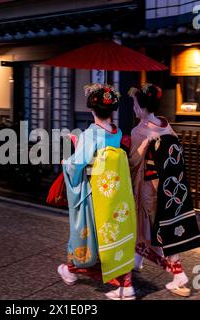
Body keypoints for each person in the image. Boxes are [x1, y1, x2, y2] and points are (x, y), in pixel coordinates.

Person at [57, 83, 137, 300]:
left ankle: (74, 269)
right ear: (112, 110)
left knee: (86, 231)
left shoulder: (91, 133)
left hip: (95, 193)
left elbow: (80, 162)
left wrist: (67, 162)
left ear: (92, 109)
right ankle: (124, 280)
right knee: (114, 231)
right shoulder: (116, 132)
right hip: (114, 193)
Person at [128, 83, 200, 297]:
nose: (133, 107)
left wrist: (141, 148)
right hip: (169, 187)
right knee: (155, 226)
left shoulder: (138, 131)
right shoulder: (164, 125)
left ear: (141, 107)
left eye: (134, 103)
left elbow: (133, 162)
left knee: (157, 229)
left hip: (149, 188)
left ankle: (179, 274)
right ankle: (137, 259)